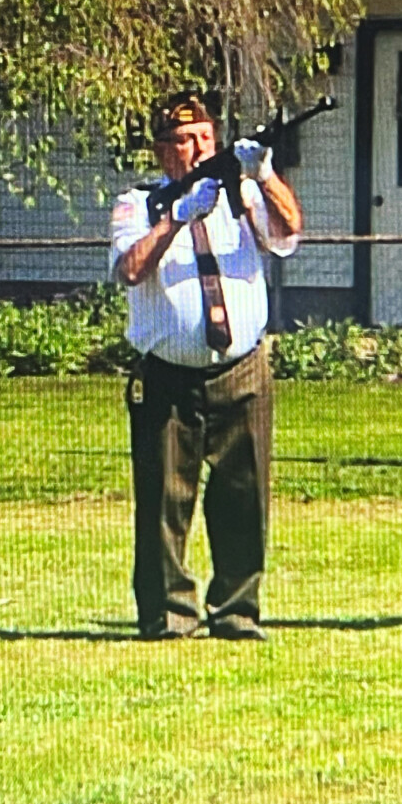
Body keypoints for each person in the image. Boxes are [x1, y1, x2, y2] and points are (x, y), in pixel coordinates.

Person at [111, 90, 302, 641]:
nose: (194, 151)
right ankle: (168, 613)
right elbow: (130, 269)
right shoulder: (137, 203)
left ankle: (238, 609)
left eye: (203, 139)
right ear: (161, 150)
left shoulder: (240, 196)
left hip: (242, 368)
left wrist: (264, 176)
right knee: (164, 501)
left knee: (245, 493)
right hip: (168, 371)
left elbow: (288, 233)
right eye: (180, 141)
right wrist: (174, 218)